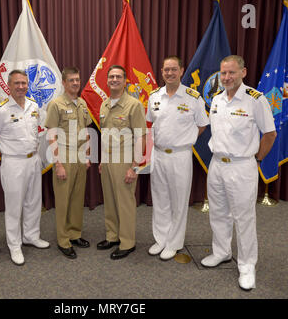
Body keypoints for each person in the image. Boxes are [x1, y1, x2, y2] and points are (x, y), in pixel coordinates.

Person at [201, 55, 276, 291]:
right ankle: (221, 252)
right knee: (219, 212)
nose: (226, 77)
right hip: (217, 165)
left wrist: (257, 159)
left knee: (244, 218)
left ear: (243, 72)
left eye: (231, 73)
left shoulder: (256, 100)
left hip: (242, 166)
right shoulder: (216, 99)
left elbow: (270, 134)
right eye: (223, 73)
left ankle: (246, 265)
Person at [146, 56, 209, 261]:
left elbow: (202, 125)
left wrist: (185, 139)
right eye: (166, 70)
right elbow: (150, 124)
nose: (170, 73)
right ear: (162, 72)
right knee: (160, 199)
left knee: (179, 201)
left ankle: (174, 242)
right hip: (159, 154)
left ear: (181, 71)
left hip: (180, 156)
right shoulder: (154, 96)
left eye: (174, 69)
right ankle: (161, 239)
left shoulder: (193, 97)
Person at [0, 70, 49, 266]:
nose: (21, 86)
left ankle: (31, 236)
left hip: (33, 160)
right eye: (17, 83)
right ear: (9, 85)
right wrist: (7, 151)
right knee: (14, 207)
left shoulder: (33, 106)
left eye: (24, 83)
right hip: (13, 163)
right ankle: (14, 245)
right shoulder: (0, 110)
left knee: (33, 201)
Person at [97, 65, 147, 260]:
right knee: (109, 200)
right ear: (107, 80)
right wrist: (102, 160)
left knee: (125, 202)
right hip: (108, 160)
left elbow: (141, 136)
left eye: (118, 76)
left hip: (125, 161)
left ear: (125, 81)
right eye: (111, 77)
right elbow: (104, 135)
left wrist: (134, 166)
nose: (114, 79)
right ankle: (112, 236)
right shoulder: (104, 105)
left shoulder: (133, 105)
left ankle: (127, 242)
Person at [44, 67, 92, 259]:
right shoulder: (56, 104)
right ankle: (63, 240)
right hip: (64, 155)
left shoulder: (82, 103)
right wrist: (58, 164)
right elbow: (51, 135)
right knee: (63, 200)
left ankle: (75, 234)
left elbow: (86, 131)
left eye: (77, 80)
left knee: (77, 198)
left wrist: (87, 156)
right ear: (64, 83)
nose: (75, 83)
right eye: (71, 80)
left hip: (80, 157)